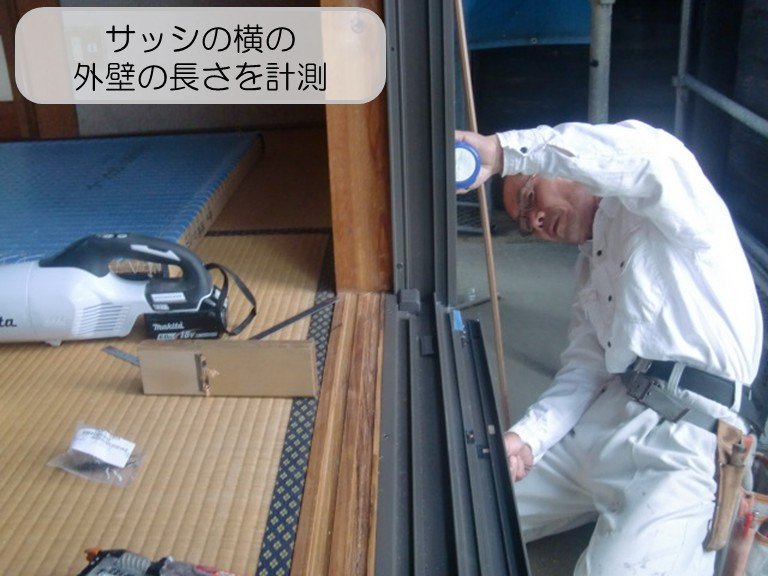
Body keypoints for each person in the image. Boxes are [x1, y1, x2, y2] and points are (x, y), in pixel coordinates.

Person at [456, 119, 765, 575]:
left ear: (566, 169)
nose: (535, 221)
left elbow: (649, 155)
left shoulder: (665, 202)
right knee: (467, 501)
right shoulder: (589, 272)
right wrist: (528, 438)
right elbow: (584, 370)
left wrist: (504, 152)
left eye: (530, 196)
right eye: (524, 222)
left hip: (689, 437)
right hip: (608, 420)